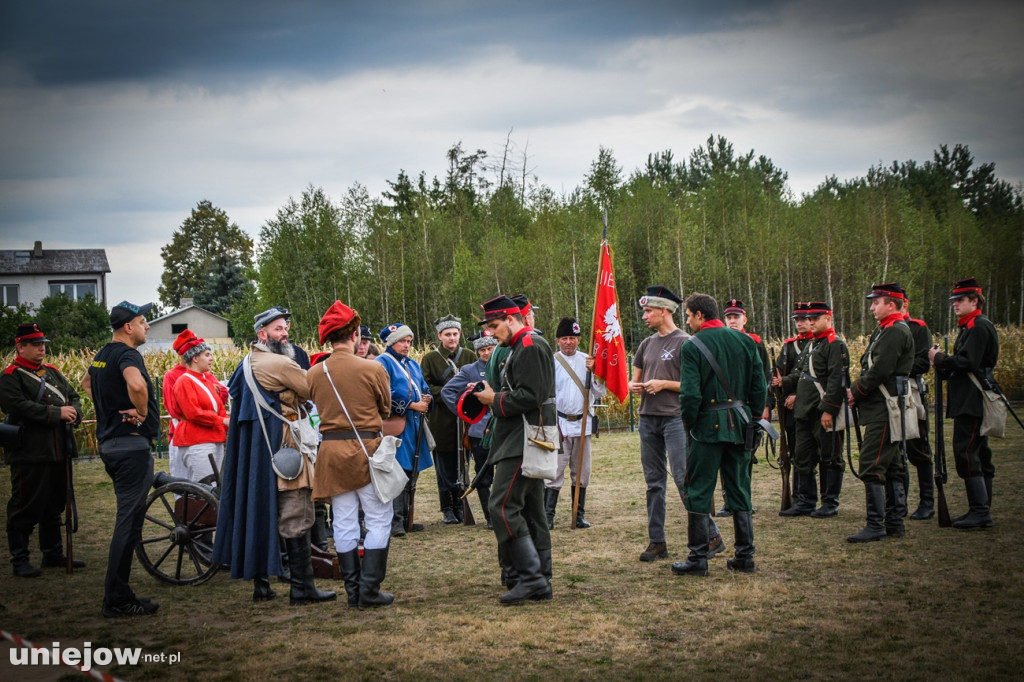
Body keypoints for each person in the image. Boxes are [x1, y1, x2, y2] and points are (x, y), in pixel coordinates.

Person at [212, 306, 336, 605]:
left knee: (258, 509)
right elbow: (312, 390)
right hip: (284, 446)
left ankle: (262, 585)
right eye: (279, 329)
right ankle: (302, 589)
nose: (285, 333)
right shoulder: (279, 364)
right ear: (262, 333)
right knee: (297, 513)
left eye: (285, 327)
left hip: (255, 450)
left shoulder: (245, 363)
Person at [308, 301, 396, 607]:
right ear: (355, 334)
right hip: (366, 450)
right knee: (379, 518)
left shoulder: (315, 372)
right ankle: (369, 590)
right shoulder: (373, 368)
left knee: (343, 522)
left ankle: (353, 591)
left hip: (331, 453)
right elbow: (385, 409)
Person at [671, 293, 766, 576]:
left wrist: (689, 423)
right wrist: (755, 418)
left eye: (688, 316)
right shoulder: (747, 341)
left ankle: (698, 559)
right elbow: (759, 387)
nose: (687, 321)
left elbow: (690, 394)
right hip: (741, 423)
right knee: (739, 488)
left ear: (700, 315)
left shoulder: (693, 345)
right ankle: (745, 556)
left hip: (706, 427)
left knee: (699, 489)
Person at [628, 285, 723, 562]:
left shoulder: (686, 343)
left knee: (684, 479)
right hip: (648, 419)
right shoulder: (645, 345)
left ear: (664, 310)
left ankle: (712, 536)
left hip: (674, 419)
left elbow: (696, 387)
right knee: (653, 483)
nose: (644, 316)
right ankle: (657, 542)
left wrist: (665, 384)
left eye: (648, 311)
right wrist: (634, 386)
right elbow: (634, 379)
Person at [82, 301, 160, 617]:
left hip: (110, 445)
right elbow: (137, 383)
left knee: (128, 519)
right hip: (131, 447)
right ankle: (116, 598)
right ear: (128, 327)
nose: (148, 326)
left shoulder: (102, 355)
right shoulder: (128, 355)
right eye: (144, 321)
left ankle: (121, 592)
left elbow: (87, 384)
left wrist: (108, 410)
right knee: (128, 522)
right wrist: (140, 412)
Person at [475, 295, 555, 604]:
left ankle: (532, 577)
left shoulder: (529, 346)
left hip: (524, 438)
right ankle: (541, 579)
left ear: (511, 319)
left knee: (502, 506)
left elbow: (530, 396)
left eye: (495, 326)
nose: (492, 333)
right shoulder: (521, 346)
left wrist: (492, 400)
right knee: (532, 508)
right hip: (524, 436)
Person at [0, 322, 84, 578]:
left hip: (59, 449)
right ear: (20, 346)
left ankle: (53, 553)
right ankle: (20, 558)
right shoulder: (11, 376)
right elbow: (16, 405)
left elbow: (74, 396)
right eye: (35, 344)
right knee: (26, 504)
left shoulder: (52, 372)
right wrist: (56, 413)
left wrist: (75, 414)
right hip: (30, 451)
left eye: (42, 344)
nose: (41, 349)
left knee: (54, 503)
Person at [846, 283, 915, 543]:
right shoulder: (886, 330)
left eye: (876, 303)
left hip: (884, 407)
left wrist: (856, 391)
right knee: (893, 464)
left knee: (872, 463)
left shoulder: (895, 331)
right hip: (882, 405)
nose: (872, 308)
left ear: (891, 304)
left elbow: (880, 370)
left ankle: (876, 524)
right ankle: (894, 522)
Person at [929, 277, 999, 529]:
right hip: (967, 396)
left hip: (972, 398)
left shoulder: (978, 327)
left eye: (960, 300)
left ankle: (980, 511)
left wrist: (940, 359)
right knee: (977, 451)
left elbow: (968, 362)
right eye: (954, 300)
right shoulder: (970, 327)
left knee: (967, 451)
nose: (955, 304)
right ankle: (981, 510)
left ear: (974, 300)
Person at [774, 302, 848, 518]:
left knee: (830, 456)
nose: (811, 322)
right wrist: (783, 381)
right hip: (804, 411)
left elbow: (836, 380)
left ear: (828, 318)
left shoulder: (835, 345)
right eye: (809, 318)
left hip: (821, 410)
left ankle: (829, 502)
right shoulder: (812, 345)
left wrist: (829, 410)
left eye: (815, 318)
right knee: (802, 456)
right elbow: (802, 375)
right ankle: (805, 501)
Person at [547, 316, 606, 530]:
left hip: (583, 425)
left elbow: (600, 391)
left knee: (581, 473)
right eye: (564, 338)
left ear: (579, 339)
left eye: (572, 337)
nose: (568, 342)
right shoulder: (551, 361)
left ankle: (578, 514)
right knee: (554, 471)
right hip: (560, 425)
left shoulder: (587, 361)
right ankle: (548, 516)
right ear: (558, 341)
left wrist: (596, 372)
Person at [376, 322, 433, 536]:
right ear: (391, 342)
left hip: (414, 424)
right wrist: (411, 405)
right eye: (402, 341)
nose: (407, 345)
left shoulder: (412, 364)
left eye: (409, 341)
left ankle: (408, 516)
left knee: (412, 471)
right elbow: (384, 393)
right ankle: (396, 522)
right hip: (397, 425)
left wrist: (427, 398)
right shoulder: (382, 363)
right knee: (398, 471)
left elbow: (423, 386)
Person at [717, 299, 772, 516]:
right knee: (725, 456)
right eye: (729, 317)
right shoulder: (720, 341)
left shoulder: (755, 342)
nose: (732, 321)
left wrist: (765, 406)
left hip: (748, 407)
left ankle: (743, 501)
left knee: (745, 456)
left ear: (744, 319)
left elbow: (764, 378)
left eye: (736, 317)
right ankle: (728, 501)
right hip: (724, 406)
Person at [420, 314, 477, 524]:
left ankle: (461, 505)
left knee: (463, 465)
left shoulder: (470, 356)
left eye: (455, 334)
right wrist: (450, 391)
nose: (452, 338)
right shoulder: (430, 359)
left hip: (466, 421)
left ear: (460, 334)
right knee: (444, 468)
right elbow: (425, 387)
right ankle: (448, 508)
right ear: (440, 336)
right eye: (448, 334)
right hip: (442, 421)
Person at [441, 330, 499, 528]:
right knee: (483, 476)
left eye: (490, 348)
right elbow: (447, 391)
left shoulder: (503, 366)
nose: (486, 353)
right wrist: (465, 413)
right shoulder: (469, 370)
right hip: (480, 430)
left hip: (503, 428)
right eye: (482, 349)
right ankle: (490, 518)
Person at [170, 329, 229, 486]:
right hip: (197, 442)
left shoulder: (208, 382)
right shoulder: (184, 381)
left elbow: (220, 409)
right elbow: (193, 413)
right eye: (207, 355)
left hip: (214, 439)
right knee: (204, 488)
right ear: (195, 358)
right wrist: (223, 421)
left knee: (215, 487)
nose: (211, 359)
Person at [903, 296, 935, 520]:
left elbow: (923, 362)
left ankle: (927, 502)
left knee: (918, 449)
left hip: (912, 391)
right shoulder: (884, 330)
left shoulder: (917, 328)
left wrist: (895, 366)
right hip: (892, 395)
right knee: (897, 452)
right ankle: (898, 502)